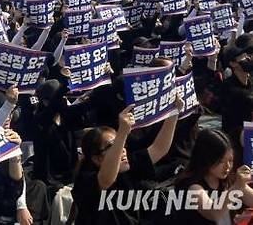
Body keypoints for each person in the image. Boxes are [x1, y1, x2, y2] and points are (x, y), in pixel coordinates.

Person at [72, 96, 183, 225]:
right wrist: (122, 133)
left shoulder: (127, 166)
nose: (122, 149)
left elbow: (159, 148)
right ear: (97, 159)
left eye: (123, 145)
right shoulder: (86, 179)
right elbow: (106, 180)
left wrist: (174, 112)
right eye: (112, 146)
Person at [173, 129, 253, 224]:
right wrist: (236, 188)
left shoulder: (230, 180)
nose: (227, 166)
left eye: (230, 160)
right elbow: (214, 213)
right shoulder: (193, 186)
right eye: (221, 162)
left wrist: (242, 186)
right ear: (206, 159)